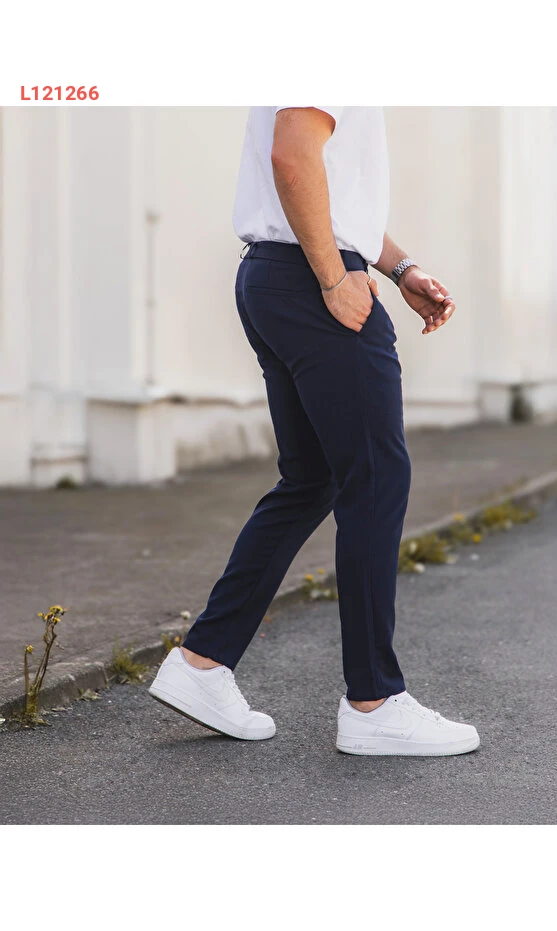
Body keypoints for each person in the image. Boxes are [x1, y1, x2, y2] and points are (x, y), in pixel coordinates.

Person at [149, 106, 480, 756]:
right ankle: (374, 702)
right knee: (375, 476)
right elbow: (293, 158)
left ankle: (202, 662)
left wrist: (399, 267)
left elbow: (331, 190)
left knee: (313, 479)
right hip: (311, 279)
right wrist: (334, 277)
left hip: (279, 274)